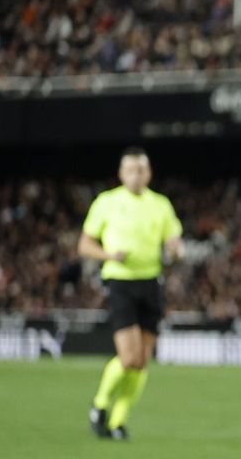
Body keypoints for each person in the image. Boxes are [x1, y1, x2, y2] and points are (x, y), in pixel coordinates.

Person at [78, 147, 184, 441]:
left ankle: (118, 423)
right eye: (131, 170)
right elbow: (84, 245)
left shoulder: (160, 205)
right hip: (121, 283)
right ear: (121, 173)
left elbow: (174, 240)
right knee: (128, 357)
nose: (136, 175)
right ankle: (99, 406)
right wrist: (109, 254)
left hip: (151, 283)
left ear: (148, 174)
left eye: (141, 170)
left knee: (142, 361)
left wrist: (177, 250)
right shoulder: (107, 202)